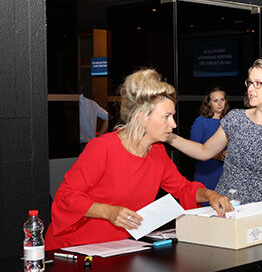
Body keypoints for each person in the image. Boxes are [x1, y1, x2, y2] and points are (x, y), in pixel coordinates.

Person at [45, 69, 233, 251]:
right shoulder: (102, 148)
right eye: (167, 117)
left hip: (119, 249)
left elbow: (183, 188)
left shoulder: (157, 152)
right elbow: (66, 197)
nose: (174, 124)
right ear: (142, 117)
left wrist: (210, 195)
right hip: (75, 249)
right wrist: (108, 212)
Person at [168, 58, 262, 215]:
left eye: (258, 83)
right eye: (249, 83)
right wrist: (168, 136)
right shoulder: (235, 119)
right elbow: (204, 151)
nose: (251, 89)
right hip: (226, 209)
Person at [190, 86, 230, 189]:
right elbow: (193, 149)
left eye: (222, 100)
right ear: (209, 103)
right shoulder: (201, 121)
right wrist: (215, 155)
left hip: (227, 173)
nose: (220, 104)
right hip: (206, 172)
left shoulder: (230, 121)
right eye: (215, 101)